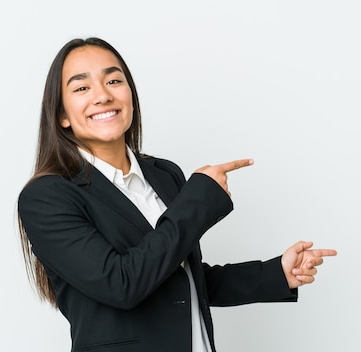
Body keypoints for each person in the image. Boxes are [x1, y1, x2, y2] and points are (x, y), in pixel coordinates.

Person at [17, 37, 337, 352]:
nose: (102, 95)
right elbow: (121, 284)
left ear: (130, 94)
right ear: (61, 114)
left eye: (114, 80)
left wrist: (276, 273)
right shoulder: (47, 197)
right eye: (81, 87)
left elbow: (180, 279)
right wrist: (199, 202)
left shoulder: (163, 174)